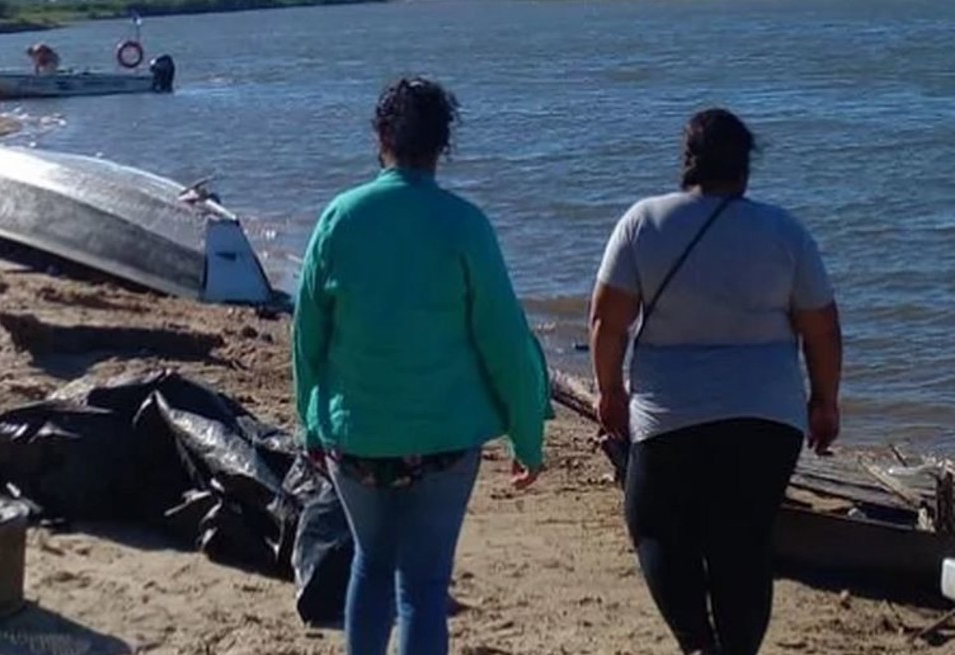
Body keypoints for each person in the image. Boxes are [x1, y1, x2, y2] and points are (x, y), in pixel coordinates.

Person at [292, 77, 552, 655]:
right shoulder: (463, 224)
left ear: (381, 135)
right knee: (424, 586)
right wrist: (527, 437)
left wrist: (310, 421)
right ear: (444, 144)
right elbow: (506, 343)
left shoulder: (339, 217)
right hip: (443, 441)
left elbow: (307, 335)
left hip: (354, 436)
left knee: (371, 564)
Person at [589, 108, 842, 655]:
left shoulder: (644, 222)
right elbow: (822, 331)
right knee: (745, 538)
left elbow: (608, 324)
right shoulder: (785, 232)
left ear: (687, 162)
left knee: (654, 525)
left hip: (670, 416)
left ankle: (698, 643)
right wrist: (825, 402)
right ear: (745, 167)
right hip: (767, 418)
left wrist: (610, 393)